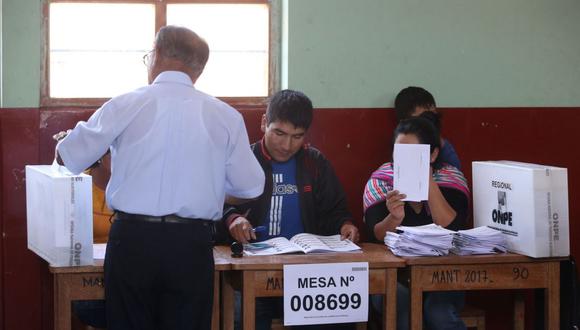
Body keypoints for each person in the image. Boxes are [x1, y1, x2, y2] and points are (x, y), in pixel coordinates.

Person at [56, 25, 265, 330]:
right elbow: (251, 186)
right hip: (190, 244)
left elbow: (68, 157)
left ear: (156, 55)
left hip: (132, 241)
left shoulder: (125, 103)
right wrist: (211, 186)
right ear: (199, 69)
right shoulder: (225, 116)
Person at [222, 89, 360, 330]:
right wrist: (232, 219)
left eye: (297, 137)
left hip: (307, 274)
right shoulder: (244, 160)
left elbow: (334, 211)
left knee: (341, 313)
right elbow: (214, 205)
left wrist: (345, 225)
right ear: (264, 122)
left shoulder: (314, 163)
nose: (287, 145)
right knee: (240, 317)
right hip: (252, 272)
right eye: (279, 133)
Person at [363, 112, 470, 330]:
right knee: (400, 301)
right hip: (394, 275)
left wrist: (427, 182)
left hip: (443, 275)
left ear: (433, 154)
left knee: (438, 312)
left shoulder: (451, 179)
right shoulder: (382, 181)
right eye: (399, 152)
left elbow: (454, 229)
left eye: (414, 154)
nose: (404, 160)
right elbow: (375, 235)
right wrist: (394, 218)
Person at [394, 86, 461, 169]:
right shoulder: (400, 145)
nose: (429, 125)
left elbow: (456, 172)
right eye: (423, 120)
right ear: (404, 122)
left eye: (432, 118)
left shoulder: (443, 147)